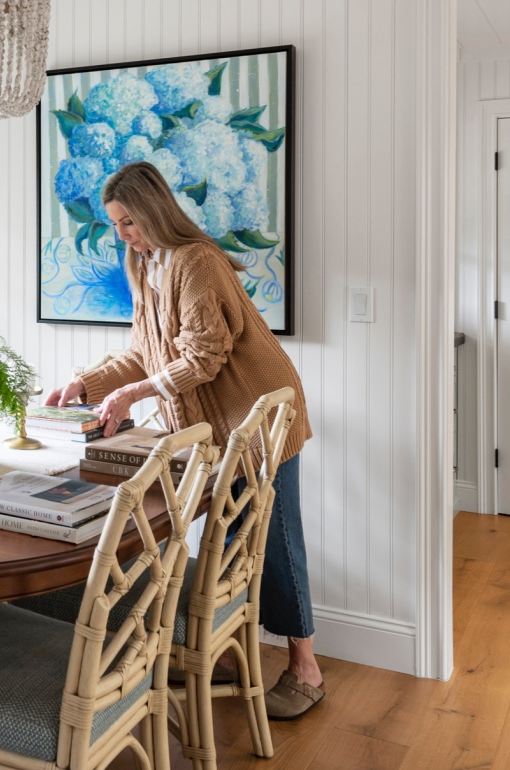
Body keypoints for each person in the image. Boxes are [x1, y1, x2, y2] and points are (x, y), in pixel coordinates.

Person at [46, 161, 322, 720]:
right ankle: (222, 654)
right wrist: (87, 383)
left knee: (271, 539)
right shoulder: (144, 265)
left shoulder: (196, 261)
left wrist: (131, 396)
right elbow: (144, 352)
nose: (121, 234)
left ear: (153, 211)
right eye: (116, 225)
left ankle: (306, 669)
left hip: (259, 416)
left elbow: (205, 355)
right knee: (219, 535)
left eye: (128, 222)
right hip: (213, 424)